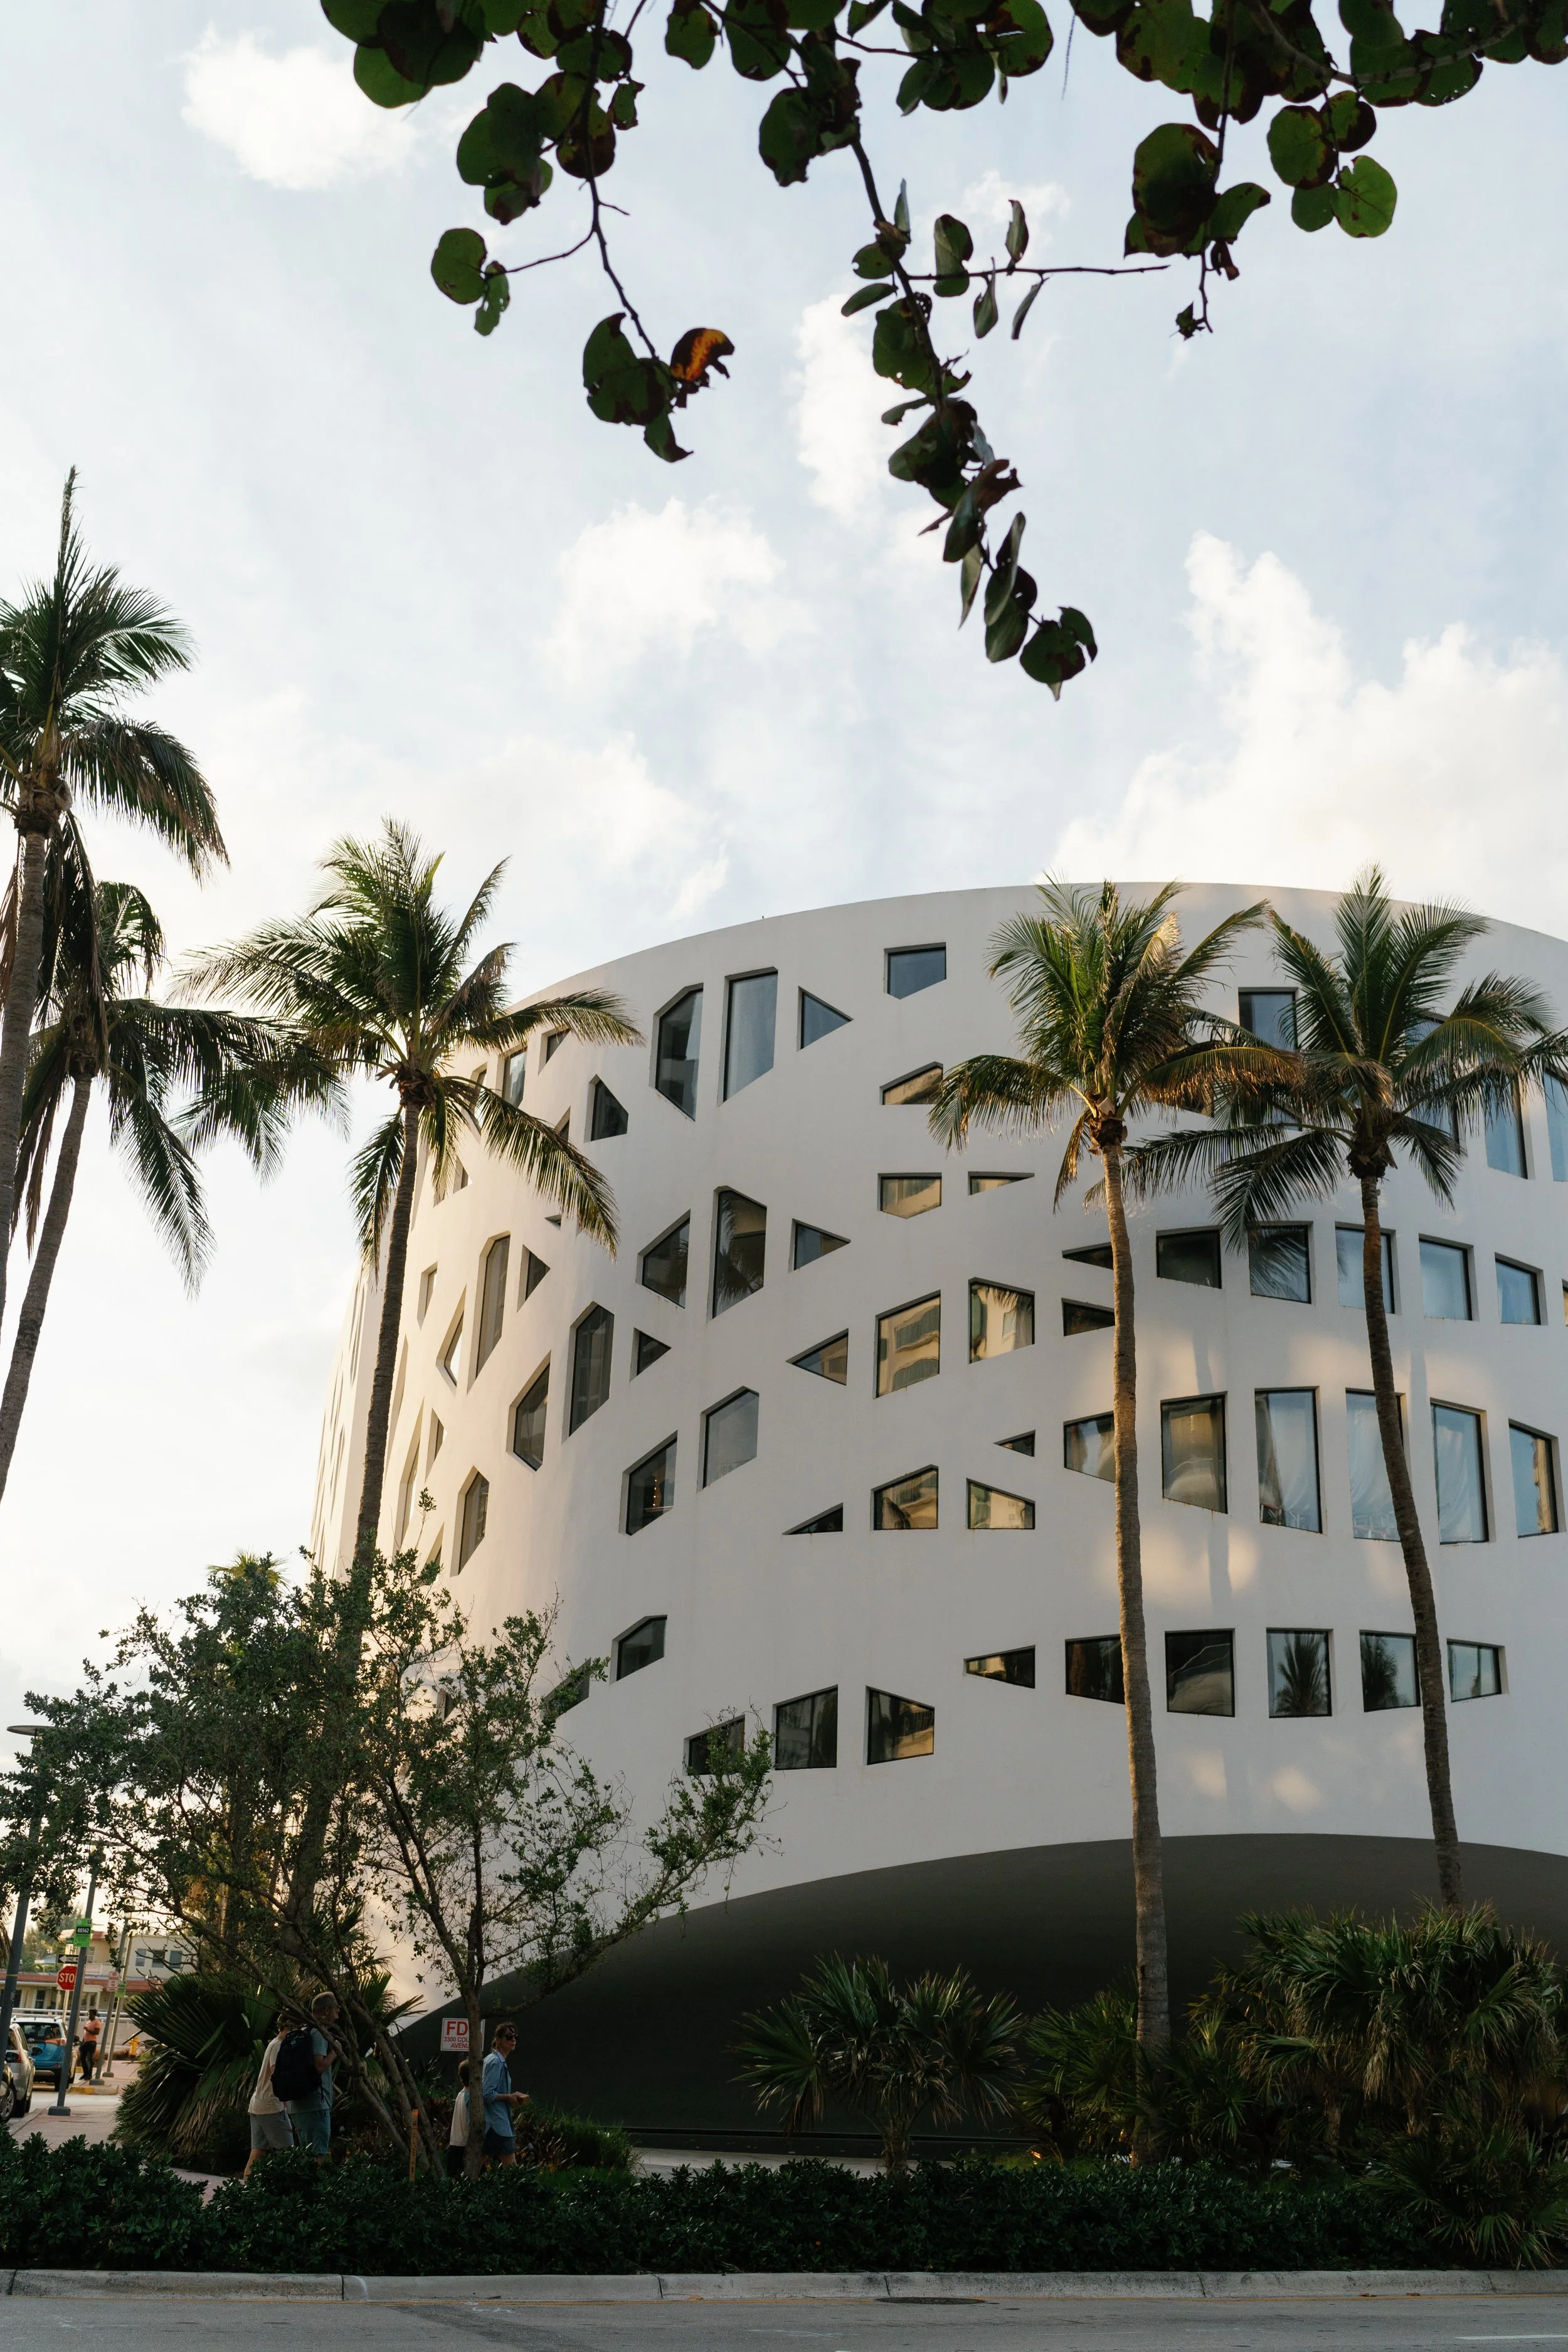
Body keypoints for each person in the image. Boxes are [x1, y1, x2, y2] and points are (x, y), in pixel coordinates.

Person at [284, 1991, 339, 2160]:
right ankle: (316, 2186)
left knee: (305, 2155)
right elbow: (319, 2065)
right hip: (316, 2105)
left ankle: (303, 2186)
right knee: (318, 2156)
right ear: (328, 2010)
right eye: (336, 2011)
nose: (338, 2016)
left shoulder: (302, 2031)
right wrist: (336, 2050)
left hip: (298, 2105)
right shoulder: (318, 2032)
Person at [244, 2025, 294, 2178]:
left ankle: (246, 2190)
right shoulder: (279, 2046)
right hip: (272, 2106)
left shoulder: (273, 2044)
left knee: (258, 2151)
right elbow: (276, 2074)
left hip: (259, 2104)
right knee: (290, 2152)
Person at [479, 2022, 528, 2168]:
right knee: (512, 2171)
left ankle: (456, 2190)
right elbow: (487, 2094)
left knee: (473, 2171)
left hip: (490, 2125)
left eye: (515, 2037)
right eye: (509, 2037)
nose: (513, 2040)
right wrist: (509, 2097)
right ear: (499, 2040)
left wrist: (510, 2096)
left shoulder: (493, 2060)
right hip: (497, 2125)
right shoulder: (496, 2062)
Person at [446, 2058, 471, 2179]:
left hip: (455, 2145)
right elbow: (471, 2124)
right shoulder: (471, 2098)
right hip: (465, 2146)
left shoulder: (460, 2094)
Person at [77, 2011, 101, 2082]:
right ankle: (85, 2073)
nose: (89, 2016)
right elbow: (85, 2034)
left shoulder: (97, 2022)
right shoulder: (88, 2022)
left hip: (92, 2043)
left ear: (94, 2015)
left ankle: (89, 2075)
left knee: (89, 2058)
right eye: (88, 2014)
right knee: (82, 2058)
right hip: (86, 2042)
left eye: (90, 2014)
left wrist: (88, 2030)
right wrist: (82, 2043)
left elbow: (97, 2032)